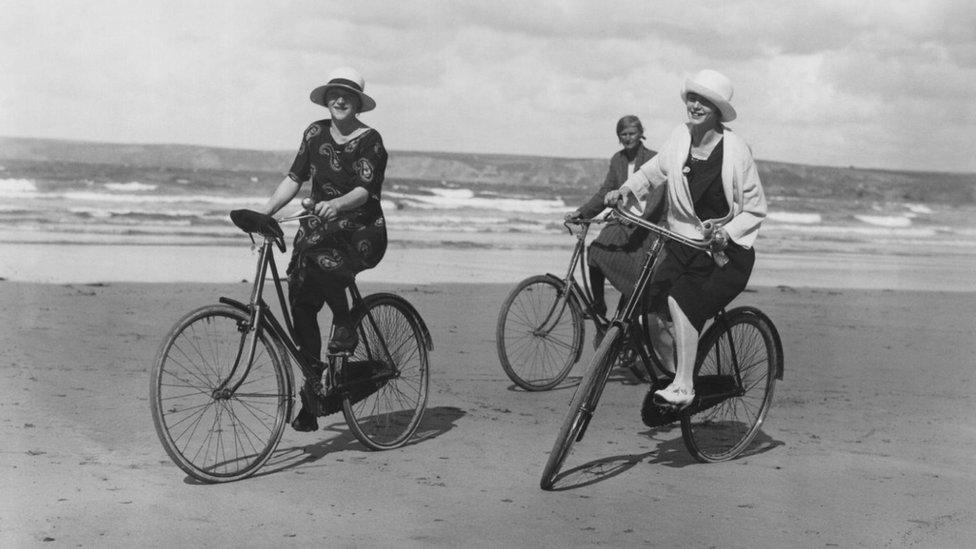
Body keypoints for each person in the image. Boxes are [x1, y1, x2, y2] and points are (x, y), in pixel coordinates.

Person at [605, 69, 767, 407]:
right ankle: (677, 373)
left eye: (704, 101)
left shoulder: (736, 152)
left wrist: (726, 232)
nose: (694, 105)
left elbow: (754, 210)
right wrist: (625, 190)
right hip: (682, 246)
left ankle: (684, 387)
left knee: (682, 298)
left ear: (718, 109)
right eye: (692, 98)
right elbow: (654, 171)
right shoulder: (681, 137)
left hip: (724, 254)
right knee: (646, 308)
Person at [259, 67, 388, 431]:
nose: (340, 99)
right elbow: (294, 177)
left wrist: (338, 204)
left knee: (321, 261)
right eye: (334, 93)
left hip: (361, 229)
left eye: (348, 95)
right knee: (300, 297)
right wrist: (265, 212)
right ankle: (314, 390)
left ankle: (345, 322)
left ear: (358, 103)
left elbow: (366, 189)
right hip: (318, 230)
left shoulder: (370, 140)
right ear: (327, 98)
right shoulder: (314, 132)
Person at [564, 115, 666, 329]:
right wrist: (581, 213)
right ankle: (599, 303)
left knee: (638, 274)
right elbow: (605, 191)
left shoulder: (653, 158)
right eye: (623, 134)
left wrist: (641, 221)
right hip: (621, 222)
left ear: (640, 134)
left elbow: (658, 198)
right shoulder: (617, 160)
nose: (628, 138)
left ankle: (631, 306)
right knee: (595, 251)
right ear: (618, 136)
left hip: (646, 226)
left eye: (632, 133)